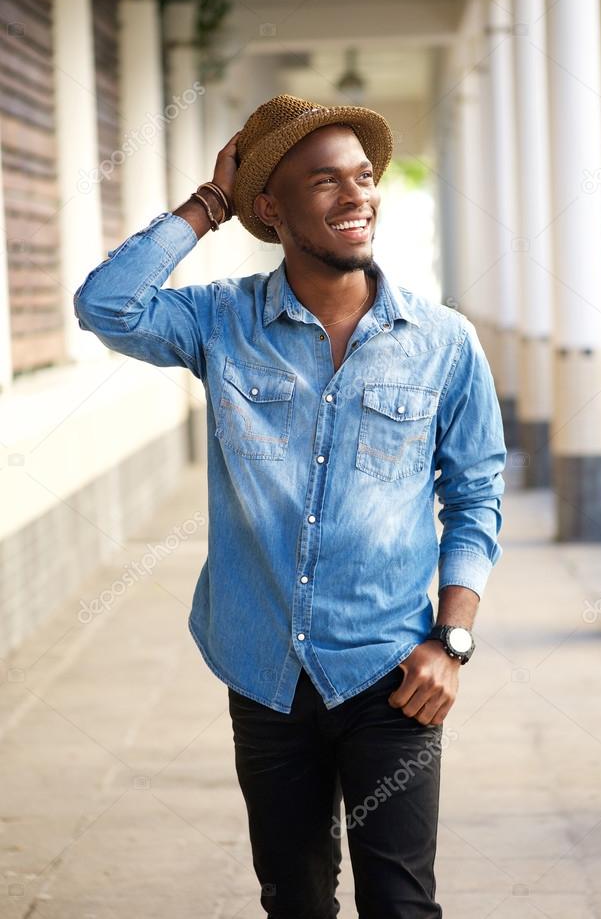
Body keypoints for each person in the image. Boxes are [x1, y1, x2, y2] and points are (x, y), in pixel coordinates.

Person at [73, 93, 507, 918]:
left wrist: (450, 641)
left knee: (402, 903)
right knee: (295, 899)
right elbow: (107, 305)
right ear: (269, 207)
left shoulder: (443, 340)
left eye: (364, 176)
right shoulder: (220, 320)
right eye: (324, 182)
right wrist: (208, 205)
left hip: (392, 673)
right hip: (264, 673)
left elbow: (476, 494)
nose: (357, 196)